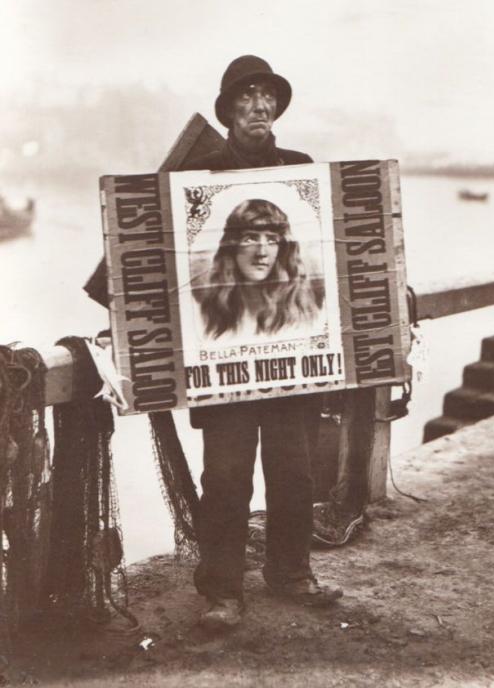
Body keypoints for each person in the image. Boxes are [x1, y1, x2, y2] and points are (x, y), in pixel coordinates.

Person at [186, 55, 342, 631]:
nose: (260, 106)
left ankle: (291, 572)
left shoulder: (300, 170)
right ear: (227, 109)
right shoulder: (194, 176)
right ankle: (223, 589)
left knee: (294, 472)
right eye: (247, 97)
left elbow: (335, 249)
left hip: (290, 360)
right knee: (226, 478)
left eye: (267, 97)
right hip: (222, 364)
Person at [193, 197, 324, 342]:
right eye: (250, 239)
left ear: (281, 250)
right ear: (232, 247)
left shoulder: (302, 315)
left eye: (272, 240)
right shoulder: (206, 315)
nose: (262, 252)